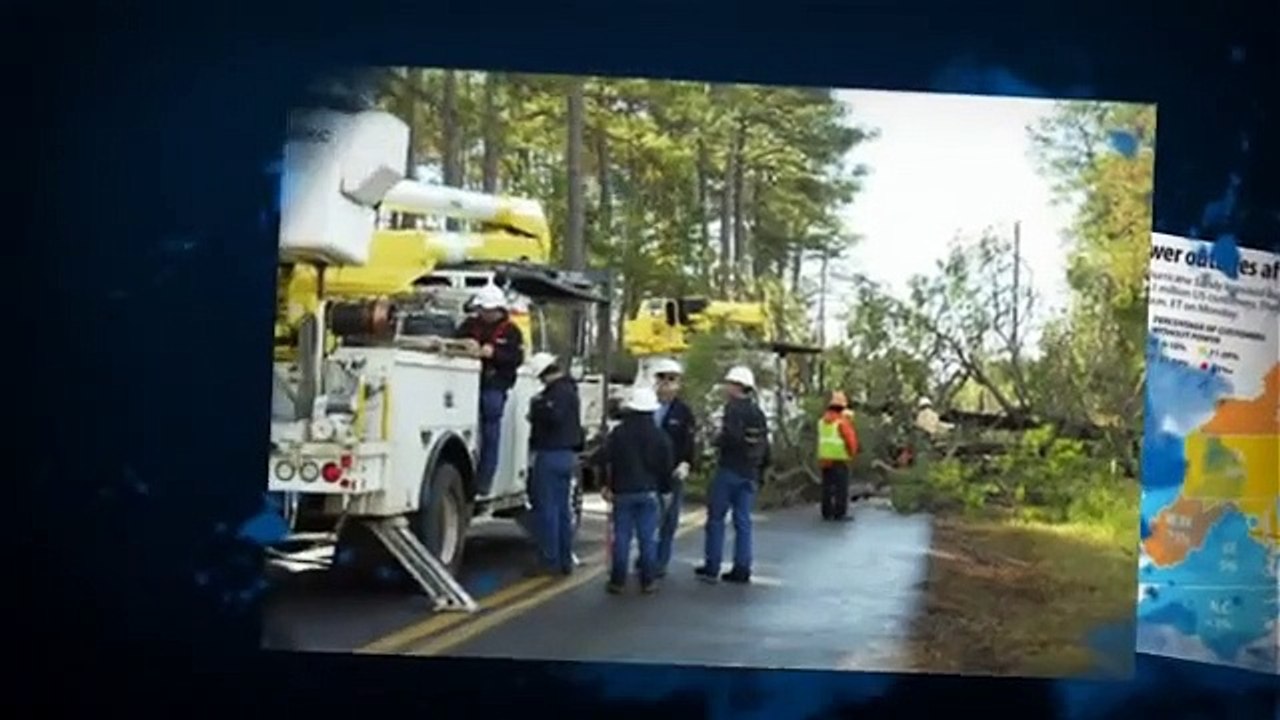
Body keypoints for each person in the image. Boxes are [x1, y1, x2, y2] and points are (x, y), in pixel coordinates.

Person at [695, 365, 770, 585]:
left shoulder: (732, 410)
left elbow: (731, 438)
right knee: (743, 521)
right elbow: (765, 446)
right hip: (750, 474)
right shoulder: (758, 413)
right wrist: (761, 471)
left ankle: (712, 566)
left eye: (729, 383)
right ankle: (742, 567)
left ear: (737, 386)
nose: (726, 387)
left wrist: (716, 441)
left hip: (729, 470)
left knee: (716, 519)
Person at [604, 384, 675, 594]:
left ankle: (617, 580)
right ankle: (648, 580)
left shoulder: (619, 433)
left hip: (623, 491)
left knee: (622, 536)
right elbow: (666, 466)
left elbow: (606, 457)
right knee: (647, 538)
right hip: (649, 492)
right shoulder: (659, 436)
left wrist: (607, 485)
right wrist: (665, 490)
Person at [456, 284, 524, 499]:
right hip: (465, 384)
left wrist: (494, 353)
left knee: (490, 430)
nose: (485, 314)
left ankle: (484, 480)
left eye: (489, 310)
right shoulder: (469, 326)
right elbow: (455, 341)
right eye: (482, 310)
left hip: (494, 386)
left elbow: (516, 359)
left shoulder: (511, 332)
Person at [526, 352, 584, 577]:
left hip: (550, 454)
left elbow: (553, 416)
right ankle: (564, 559)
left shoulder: (555, 394)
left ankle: (549, 561)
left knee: (547, 510)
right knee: (561, 510)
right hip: (568, 455)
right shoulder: (571, 390)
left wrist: (537, 408)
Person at [643, 358, 697, 578]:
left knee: (669, 521)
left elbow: (690, 441)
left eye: (672, 379)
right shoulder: (645, 407)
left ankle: (660, 562)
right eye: (663, 379)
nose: (667, 384)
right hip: (647, 472)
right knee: (648, 519)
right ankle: (647, 558)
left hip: (673, 473)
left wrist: (686, 463)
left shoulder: (683, 412)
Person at [817, 391, 860, 521]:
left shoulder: (822, 422)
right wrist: (852, 454)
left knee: (827, 487)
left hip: (825, 459)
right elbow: (851, 441)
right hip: (840, 459)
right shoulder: (842, 422)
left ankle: (826, 512)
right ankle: (839, 513)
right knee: (841, 488)